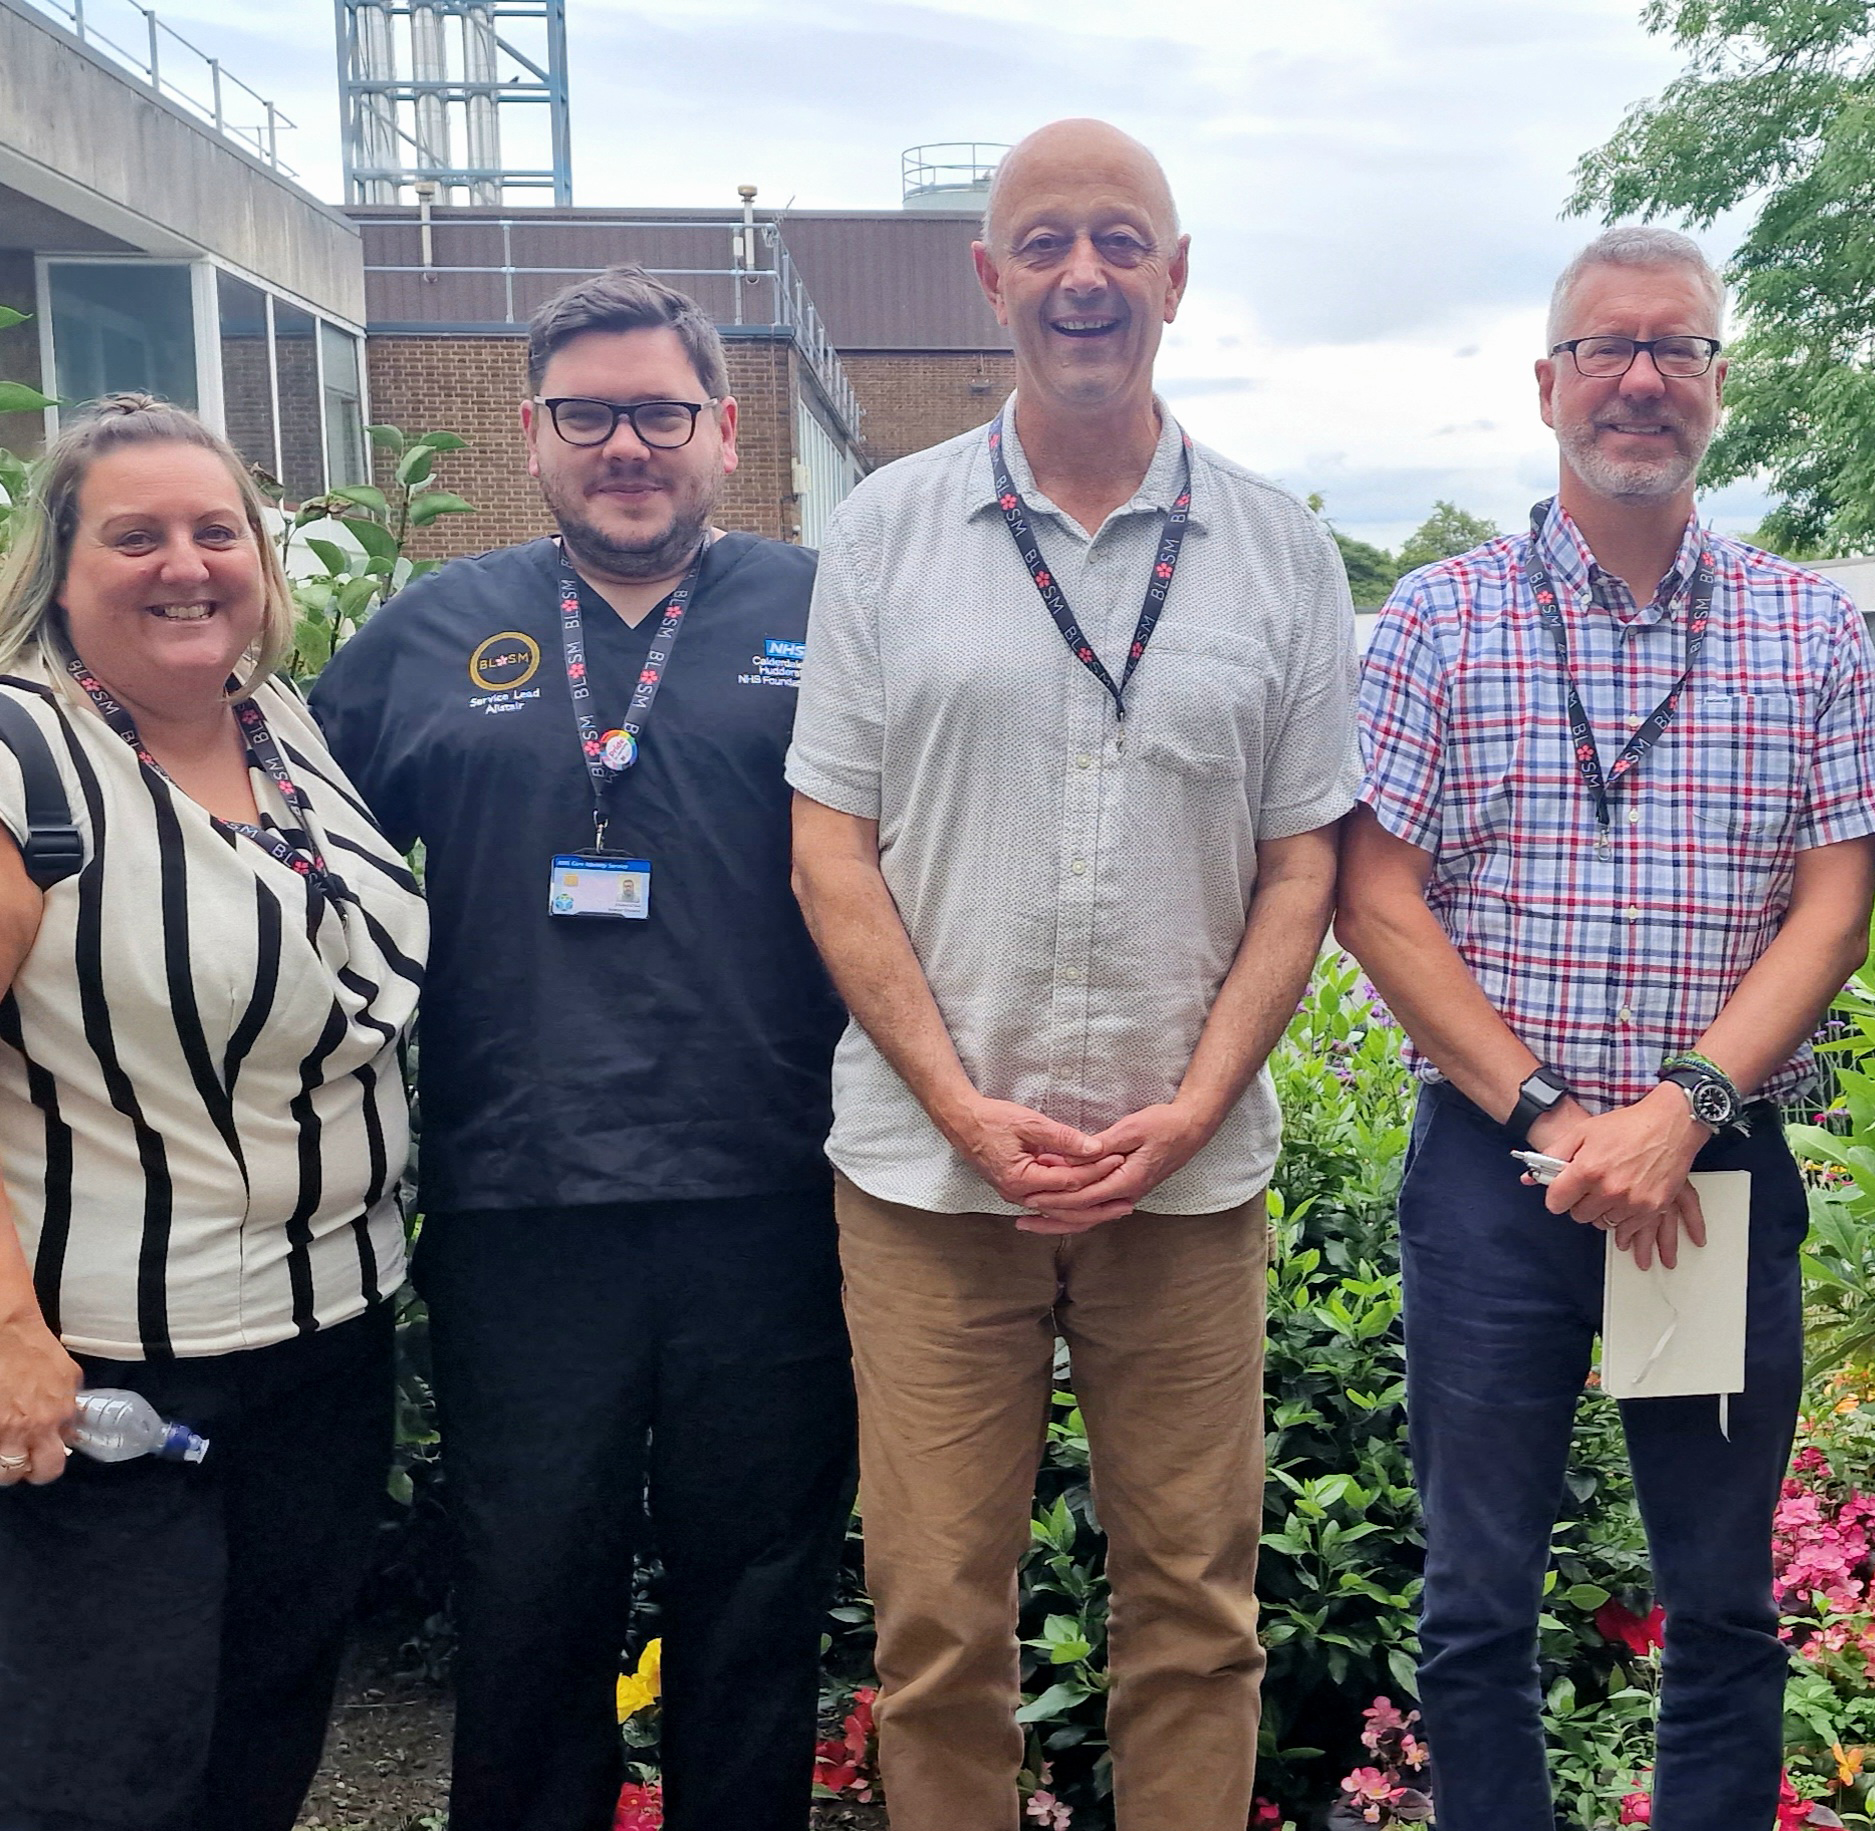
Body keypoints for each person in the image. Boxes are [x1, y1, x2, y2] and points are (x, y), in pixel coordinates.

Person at [787, 118, 1360, 1831]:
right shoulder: (887, 536)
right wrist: (959, 1105)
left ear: (1176, 278)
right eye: (1045, 243)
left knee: (1195, 1613)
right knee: (938, 1625)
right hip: (924, 1183)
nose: (1085, 276)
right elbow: (834, 850)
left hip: (1185, 1195)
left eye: (1122, 241)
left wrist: (1191, 1110)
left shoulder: (1280, 554)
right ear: (991, 280)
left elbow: (1302, 865)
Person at [1338, 226, 1875, 1831]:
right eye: (1607, 348)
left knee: (1717, 1601)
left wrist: (1681, 1110)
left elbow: (1835, 903)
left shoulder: (1815, 627)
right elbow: (1379, 895)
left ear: (1719, 382)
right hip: (1497, 1180)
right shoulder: (1438, 617)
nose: (1642, 379)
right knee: (1477, 1598)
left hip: (1710, 1181)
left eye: (1680, 349)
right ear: (1548, 381)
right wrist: (1559, 1120)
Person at [310, 266, 853, 1831]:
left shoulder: (827, 615)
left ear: (726, 431)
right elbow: (272, 852)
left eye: (661, 412)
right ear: (532, 435)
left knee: (755, 1595)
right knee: (530, 1586)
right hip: (519, 1207)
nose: (629, 444)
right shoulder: (428, 636)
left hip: (773, 1200)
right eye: (589, 414)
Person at [0, 395, 426, 1831]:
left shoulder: (282, 728)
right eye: (136, 537)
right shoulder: (24, 760)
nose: (185, 565)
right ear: (60, 569)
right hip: (115, 1365)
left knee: (266, 1729)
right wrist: (6, 1339)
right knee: (106, 1771)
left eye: (216, 530)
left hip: (326, 1345)